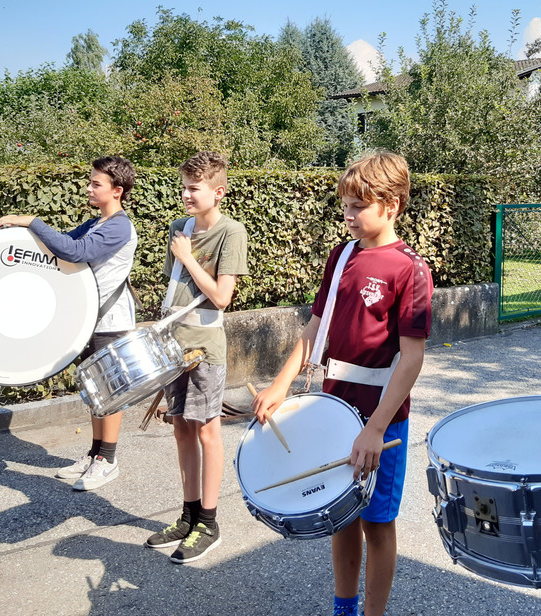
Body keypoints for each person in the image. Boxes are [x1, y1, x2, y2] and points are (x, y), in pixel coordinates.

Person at [252, 151, 433, 616]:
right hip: (333, 410)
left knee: (377, 523)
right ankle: (344, 608)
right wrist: (281, 384)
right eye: (345, 206)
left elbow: (411, 358)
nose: (348, 216)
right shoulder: (343, 255)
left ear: (391, 205)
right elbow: (316, 328)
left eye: (358, 206)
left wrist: (376, 428)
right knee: (341, 517)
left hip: (381, 419)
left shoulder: (410, 268)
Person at [0, 156, 138, 492]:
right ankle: (95, 454)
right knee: (94, 391)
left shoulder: (119, 226)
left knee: (110, 393)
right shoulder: (95, 223)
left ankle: (108, 460)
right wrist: (13, 230)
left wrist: (32, 221)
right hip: (89, 320)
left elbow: (74, 251)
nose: (88, 188)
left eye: (96, 184)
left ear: (117, 190)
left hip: (111, 321)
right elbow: (55, 246)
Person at [145, 151, 248, 564]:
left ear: (218, 192)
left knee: (207, 432)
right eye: (184, 187)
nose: (186, 195)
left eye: (194, 188)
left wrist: (187, 256)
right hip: (173, 345)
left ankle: (209, 522)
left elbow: (222, 297)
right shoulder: (178, 228)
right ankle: (188, 517)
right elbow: (174, 293)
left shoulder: (231, 232)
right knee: (181, 430)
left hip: (206, 347)